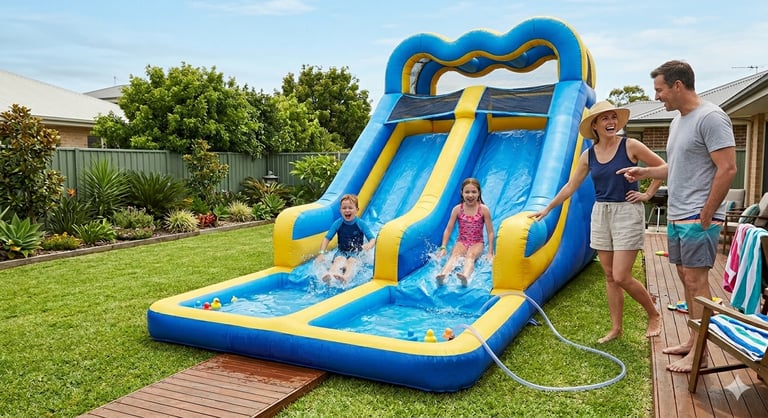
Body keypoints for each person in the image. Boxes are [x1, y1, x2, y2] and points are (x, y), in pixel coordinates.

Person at [619, 60, 737, 373]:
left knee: (697, 281)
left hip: (697, 218)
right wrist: (645, 171)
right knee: (687, 280)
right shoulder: (677, 123)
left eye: (659, 90)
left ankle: (700, 353)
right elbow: (678, 167)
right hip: (678, 214)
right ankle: (691, 340)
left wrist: (707, 213)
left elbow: (727, 168)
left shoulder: (711, 118)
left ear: (677, 86)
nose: (657, 96)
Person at [529, 100, 665, 344]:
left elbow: (662, 167)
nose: (611, 122)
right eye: (605, 118)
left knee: (622, 276)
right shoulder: (588, 155)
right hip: (601, 213)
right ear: (595, 125)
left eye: (614, 117)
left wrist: (647, 194)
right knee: (610, 276)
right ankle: (616, 329)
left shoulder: (630, 145)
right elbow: (571, 185)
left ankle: (654, 314)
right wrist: (547, 208)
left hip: (626, 212)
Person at [436, 178, 495, 287]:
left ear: (479, 193)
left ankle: (465, 277)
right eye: (467, 192)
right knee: (454, 255)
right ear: (462, 193)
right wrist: (443, 247)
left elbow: (490, 232)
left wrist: (490, 252)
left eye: (474, 192)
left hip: (477, 242)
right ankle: (443, 275)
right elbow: (448, 229)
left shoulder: (483, 209)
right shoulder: (457, 209)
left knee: (470, 256)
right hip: (462, 241)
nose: (470, 195)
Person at [316, 194, 376, 284]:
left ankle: (346, 278)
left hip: (357, 252)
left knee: (351, 261)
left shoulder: (361, 224)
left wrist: (369, 245)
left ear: (356, 210)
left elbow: (372, 239)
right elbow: (326, 238)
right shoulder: (338, 223)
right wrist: (321, 254)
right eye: (344, 208)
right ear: (340, 210)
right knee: (338, 260)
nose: (347, 210)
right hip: (342, 251)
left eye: (350, 208)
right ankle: (330, 275)